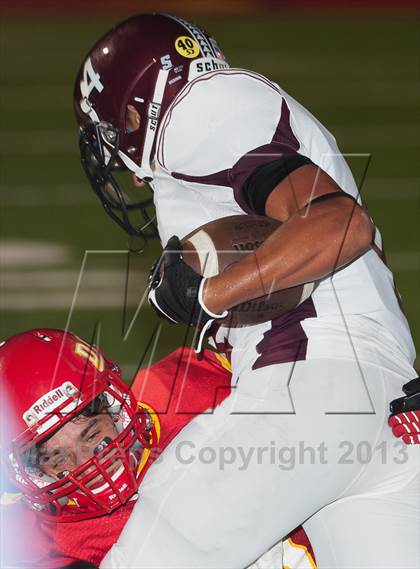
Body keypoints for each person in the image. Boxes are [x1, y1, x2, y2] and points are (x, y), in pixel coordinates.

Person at [73, 14, 419, 568]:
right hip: (388, 408)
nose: (117, 158)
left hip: (310, 389)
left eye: (114, 134)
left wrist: (211, 294)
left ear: (136, 111)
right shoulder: (234, 114)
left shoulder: (201, 108)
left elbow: (339, 226)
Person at [0, 328, 318, 569]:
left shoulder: (186, 390)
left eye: (92, 434)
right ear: (29, 472)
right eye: (58, 457)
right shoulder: (43, 543)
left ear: (113, 408)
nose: (89, 464)